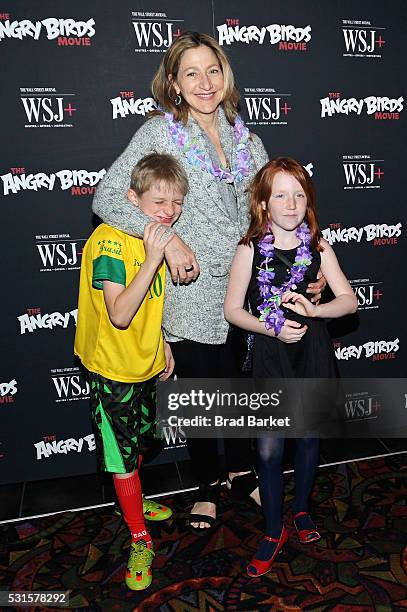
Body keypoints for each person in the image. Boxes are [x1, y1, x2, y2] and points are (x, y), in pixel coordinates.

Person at [92, 32, 324, 532]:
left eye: (213, 70)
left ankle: (243, 473)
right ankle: (205, 487)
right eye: (191, 73)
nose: (205, 82)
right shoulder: (158, 133)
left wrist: (305, 270)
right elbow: (108, 200)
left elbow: (269, 216)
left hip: (249, 286)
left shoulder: (248, 138)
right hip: (190, 289)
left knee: (242, 388)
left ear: (226, 77)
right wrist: (168, 242)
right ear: (172, 82)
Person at [224, 157, 357, 577]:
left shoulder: (318, 246)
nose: (291, 202)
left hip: (312, 351)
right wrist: (272, 328)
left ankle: (300, 512)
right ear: (263, 203)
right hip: (271, 351)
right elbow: (231, 310)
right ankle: (272, 528)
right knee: (268, 446)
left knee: (308, 437)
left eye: (299, 194)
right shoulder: (248, 247)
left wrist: (315, 313)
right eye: (280, 194)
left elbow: (349, 301)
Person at [74, 153, 188, 590]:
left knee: (142, 442)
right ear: (131, 197)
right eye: (158, 200)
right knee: (122, 459)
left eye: (176, 202)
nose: (169, 211)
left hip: (146, 362)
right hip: (113, 369)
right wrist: (154, 256)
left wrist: (162, 342)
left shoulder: (156, 236)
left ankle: (136, 500)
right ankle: (139, 537)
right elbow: (120, 313)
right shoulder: (108, 241)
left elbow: (149, 308)